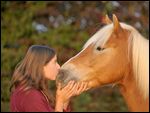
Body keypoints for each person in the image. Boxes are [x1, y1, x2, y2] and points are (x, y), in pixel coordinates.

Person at [10, 45, 89, 112]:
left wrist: (66, 98)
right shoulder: (30, 95)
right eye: (54, 62)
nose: (59, 67)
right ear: (40, 65)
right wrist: (60, 101)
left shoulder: (33, 91)